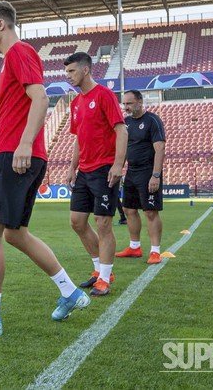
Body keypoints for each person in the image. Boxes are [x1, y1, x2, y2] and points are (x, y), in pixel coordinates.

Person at [0, 1, 89, 337]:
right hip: (13, 154)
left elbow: (40, 98)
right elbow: (7, 125)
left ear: (1, 24)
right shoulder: (12, 60)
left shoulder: (18, 52)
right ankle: (70, 292)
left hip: (18, 156)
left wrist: (25, 145)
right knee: (14, 233)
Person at [63, 51, 127, 297]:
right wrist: (72, 167)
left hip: (104, 169)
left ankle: (105, 278)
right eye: (67, 72)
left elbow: (121, 131)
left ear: (86, 70)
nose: (68, 76)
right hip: (85, 171)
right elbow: (79, 138)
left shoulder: (104, 95)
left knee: (103, 223)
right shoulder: (76, 102)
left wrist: (117, 165)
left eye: (72, 71)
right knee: (77, 222)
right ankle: (99, 270)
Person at [116, 90, 166, 265]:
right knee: (129, 210)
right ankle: (134, 247)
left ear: (139, 102)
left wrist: (156, 175)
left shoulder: (153, 121)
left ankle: (155, 251)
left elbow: (160, 149)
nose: (126, 107)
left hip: (148, 172)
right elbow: (122, 149)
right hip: (131, 172)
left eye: (129, 103)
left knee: (150, 212)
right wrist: (118, 169)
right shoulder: (126, 122)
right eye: (124, 104)